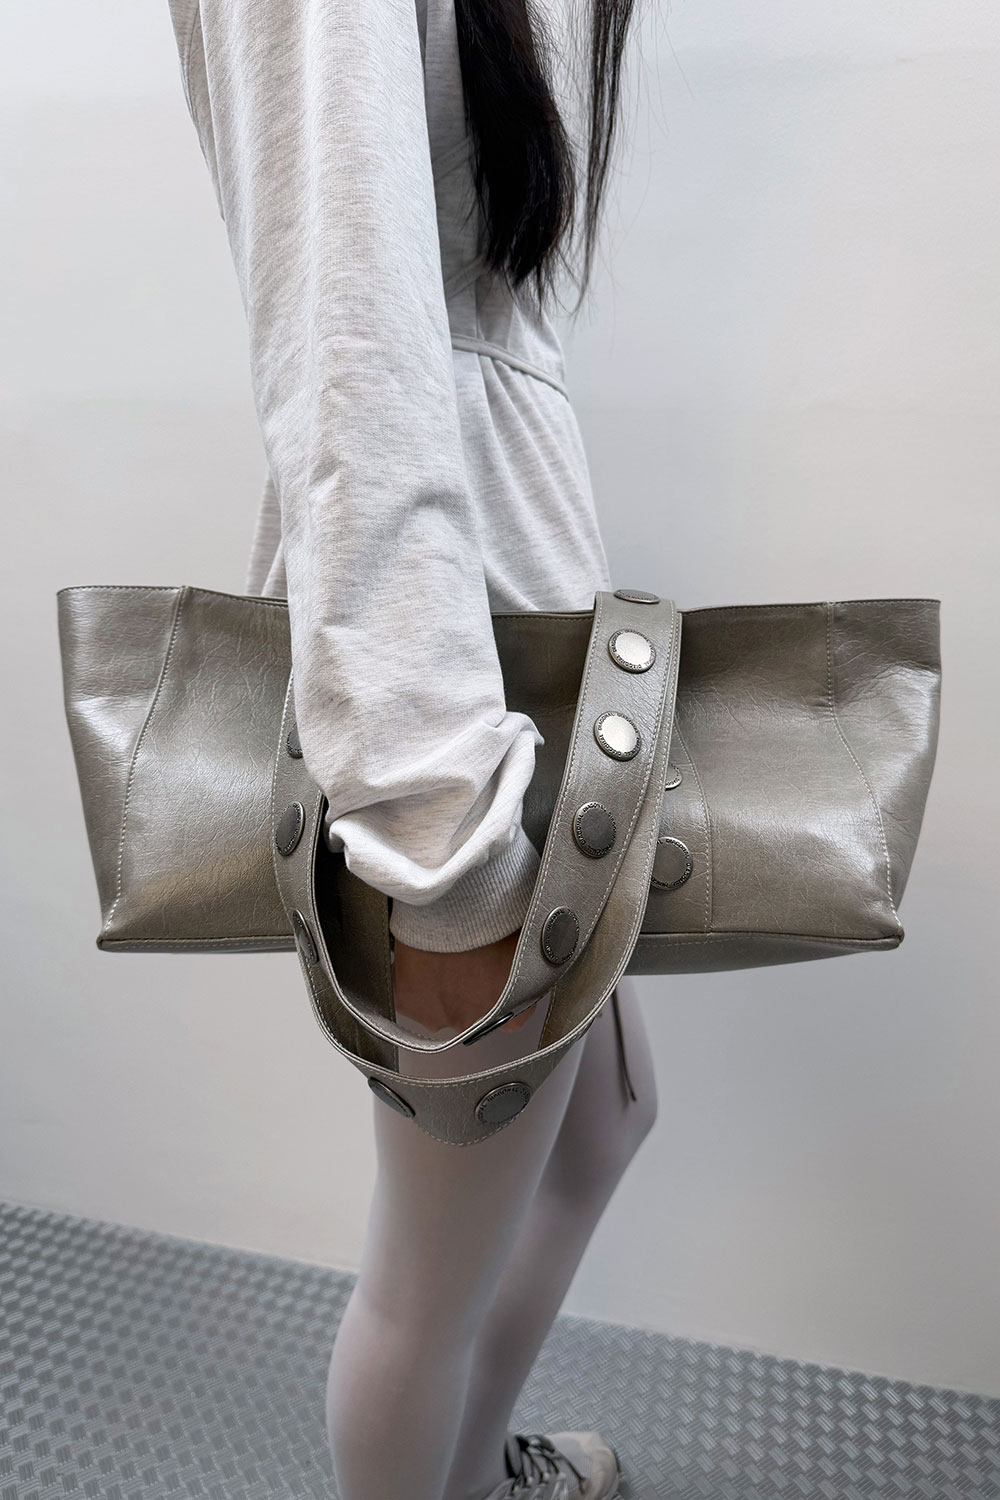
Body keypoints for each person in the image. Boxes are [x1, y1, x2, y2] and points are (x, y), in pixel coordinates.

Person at [165, 1, 658, 1496]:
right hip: (452, 701)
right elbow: (347, 347)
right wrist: (445, 837)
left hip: (532, 652)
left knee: (602, 1126)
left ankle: (467, 1476)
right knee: (422, 1287)